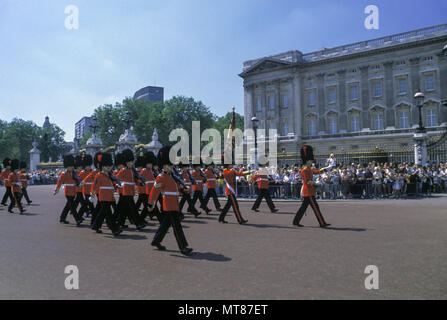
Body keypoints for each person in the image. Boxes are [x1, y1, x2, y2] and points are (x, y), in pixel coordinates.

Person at [148, 146, 193, 256]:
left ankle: (156, 240)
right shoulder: (161, 177)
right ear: (163, 166)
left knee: (165, 224)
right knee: (177, 226)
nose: (171, 167)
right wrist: (151, 202)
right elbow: (155, 190)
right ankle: (183, 247)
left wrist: (183, 189)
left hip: (174, 203)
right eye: (169, 165)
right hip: (168, 204)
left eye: (172, 165)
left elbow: (176, 189)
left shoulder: (172, 176)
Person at [293, 145, 331, 228]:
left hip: (309, 192)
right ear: (307, 160)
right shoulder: (304, 170)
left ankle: (296, 221)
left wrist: (324, 169)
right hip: (308, 192)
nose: (312, 161)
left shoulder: (309, 169)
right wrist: (316, 183)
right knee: (315, 207)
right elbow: (307, 182)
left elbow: (316, 171)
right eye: (310, 160)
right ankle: (322, 223)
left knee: (303, 208)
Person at [90, 152, 123, 236]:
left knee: (103, 213)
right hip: (103, 196)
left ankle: (96, 226)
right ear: (102, 166)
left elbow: (112, 184)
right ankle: (114, 229)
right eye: (106, 165)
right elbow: (94, 186)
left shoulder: (110, 175)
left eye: (109, 165)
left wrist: (117, 186)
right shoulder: (99, 175)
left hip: (109, 196)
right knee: (108, 214)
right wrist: (92, 195)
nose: (108, 167)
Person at [116, 149, 146, 230]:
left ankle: (119, 223)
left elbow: (135, 180)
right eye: (130, 162)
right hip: (125, 191)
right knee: (133, 208)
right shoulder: (123, 171)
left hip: (130, 191)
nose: (132, 163)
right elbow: (116, 179)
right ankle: (138, 223)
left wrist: (139, 183)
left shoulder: (131, 170)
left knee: (124, 209)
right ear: (126, 162)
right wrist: (118, 185)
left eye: (132, 162)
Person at [54, 155, 84, 226]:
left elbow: (77, 182)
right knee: (73, 207)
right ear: (66, 166)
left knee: (68, 206)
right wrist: (56, 190)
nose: (71, 167)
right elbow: (59, 182)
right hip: (67, 192)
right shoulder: (64, 174)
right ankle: (78, 219)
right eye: (69, 166)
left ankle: (62, 218)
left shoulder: (74, 174)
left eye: (71, 166)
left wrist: (80, 184)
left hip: (73, 191)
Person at [218, 156, 249, 225]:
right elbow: (234, 173)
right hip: (230, 191)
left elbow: (239, 174)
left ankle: (221, 218)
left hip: (231, 190)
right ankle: (240, 220)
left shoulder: (230, 170)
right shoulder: (226, 171)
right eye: (231, 164)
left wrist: (247, 172)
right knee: (235, 206)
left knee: (227, 206)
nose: (232, 165)